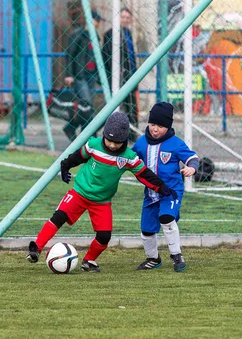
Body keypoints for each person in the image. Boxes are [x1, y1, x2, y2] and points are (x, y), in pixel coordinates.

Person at [26, 112, 177, 272]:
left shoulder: (128, 157)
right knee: (59, 217)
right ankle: (36, 248)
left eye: (117, 142)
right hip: (79, 193)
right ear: (104, 135)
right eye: (109, 140)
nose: (112, 145)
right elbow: (79, 156)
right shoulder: (93, 145)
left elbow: (144, 174)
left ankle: (89, 261)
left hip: (102, 201)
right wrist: (66, 166)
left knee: (104, 236)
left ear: (124, 140)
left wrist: (162, 187)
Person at [131, 102, 199, 272]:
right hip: (151, 194)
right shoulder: (141, 143)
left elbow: (192, 157)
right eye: (152, 124)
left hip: (172, 192)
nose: (155, 129)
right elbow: (129, 157)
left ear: (168, 127)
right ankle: (153, 258)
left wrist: (192, 167)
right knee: (146, 229)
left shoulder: (175, 144)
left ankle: (177, 255)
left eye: (160, 126)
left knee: (166, 219)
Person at [62, 9, 104, 141]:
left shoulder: (95, 36)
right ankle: (89, 136)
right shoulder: (78, 35)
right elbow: (70, 55)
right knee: (87, 106)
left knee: (86, 107)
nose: (98, 23)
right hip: (80, 75)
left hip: (91, 75)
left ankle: (72, 128)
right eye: (96, 20)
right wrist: (69, 74)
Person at [102, 7, 139, 141]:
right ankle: (111, 133)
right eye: (122, 17)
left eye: (127, 18)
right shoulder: (110, 34)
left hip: (130, 76)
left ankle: (132, 134)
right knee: (114, 107)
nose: (125, 20)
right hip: (117, 77)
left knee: (132, 106)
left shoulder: (128, 33)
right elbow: (106, 57)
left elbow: (131, 56)